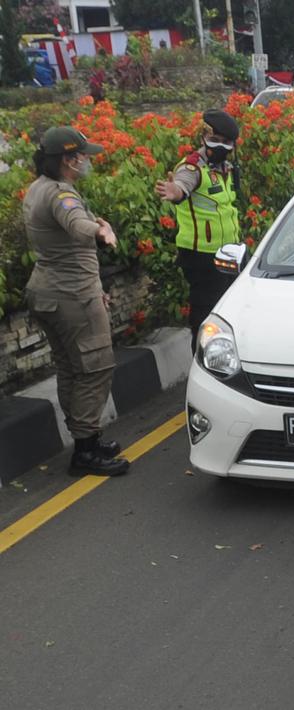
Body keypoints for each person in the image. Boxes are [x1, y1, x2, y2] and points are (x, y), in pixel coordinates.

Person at [23, 127, 130, 476]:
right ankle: (85, 452)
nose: (87, 161)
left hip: (48, 291)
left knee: (70, 367)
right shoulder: (59, 195)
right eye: (82, 155)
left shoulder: (37, 187)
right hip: (73, 297)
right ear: (69, 159)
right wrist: (102, 231)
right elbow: (76, 223)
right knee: (95, 368)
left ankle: (87, 438)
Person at [155, 108, 242, 352]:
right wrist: (175, 192)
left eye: (227, 142)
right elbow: (182, 186)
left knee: (228, 314)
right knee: (206, 314)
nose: (221, 146)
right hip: (201, 256)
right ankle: (203, 363)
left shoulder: (225, 168)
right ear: (204, 137)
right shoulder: (192, 168)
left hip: (227, 253)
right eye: (216, 140)